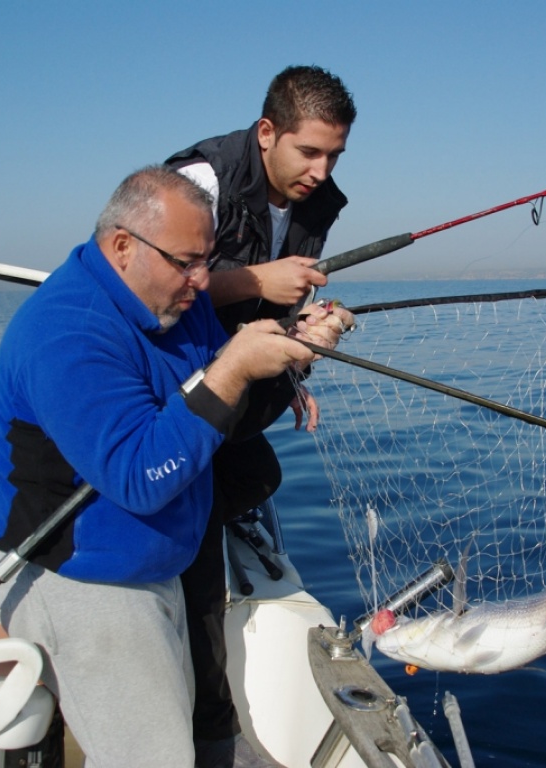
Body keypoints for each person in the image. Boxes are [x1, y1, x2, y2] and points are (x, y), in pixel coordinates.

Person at [0, 165, 354, 768]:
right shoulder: (67, 332)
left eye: (208, 258)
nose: (204, 281)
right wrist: (236, 368)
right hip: (81, 572)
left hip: (157, 557)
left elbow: (208, 379)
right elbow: (138, 476)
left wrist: (287, 344)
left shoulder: (175, 297)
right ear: (123, 246)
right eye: (186, 262)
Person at [164, 64, 357, 763]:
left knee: (258, 478)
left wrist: (303, 340)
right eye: (310, 151)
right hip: (178, 389)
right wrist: (253, 281)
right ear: (267, 132)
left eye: (334, 154)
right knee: (197, 569)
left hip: (247, 377)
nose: (321, 169)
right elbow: (145, 289)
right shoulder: (203, 181)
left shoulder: (318, 201)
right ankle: (203, 721)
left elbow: (281, 304)